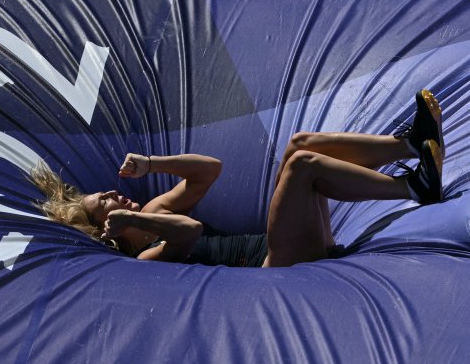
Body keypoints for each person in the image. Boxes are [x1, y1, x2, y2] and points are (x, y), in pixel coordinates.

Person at [30, 89, 445, 267]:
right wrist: (138, 222)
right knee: (303, 168)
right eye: (104, 202)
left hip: (290, 242)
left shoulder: (154, 210)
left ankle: (408, 145)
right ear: (108, 230)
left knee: (300, 144)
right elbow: (189, 231)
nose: (111, 193)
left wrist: (153, 164)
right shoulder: (145, 257)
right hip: (278, 264)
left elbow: (209, 170)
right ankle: (410, 187)